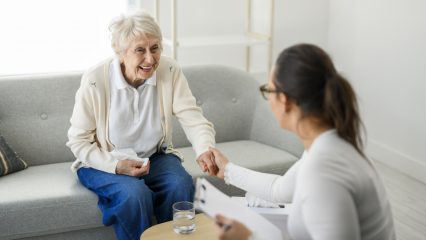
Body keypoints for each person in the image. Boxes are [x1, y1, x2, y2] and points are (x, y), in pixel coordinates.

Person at [210, 43, 396, 240]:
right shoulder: (328, 146)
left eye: (269, 90)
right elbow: (278, 189)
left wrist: (248, 238)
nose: (268, 100)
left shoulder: (324, 169)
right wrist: (228, 170)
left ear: (285, 100)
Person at [66, 10, 217, 240]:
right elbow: (78, 142)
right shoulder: (96, 80)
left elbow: (192, 117)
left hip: (153, 157)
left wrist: (205, 148)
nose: (150, 59)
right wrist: (116, 166)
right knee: (134, 195)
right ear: (120, 52)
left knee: (181, 184)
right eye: (140, 50)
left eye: (155, 48)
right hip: (102, 161)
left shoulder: (169, 70)